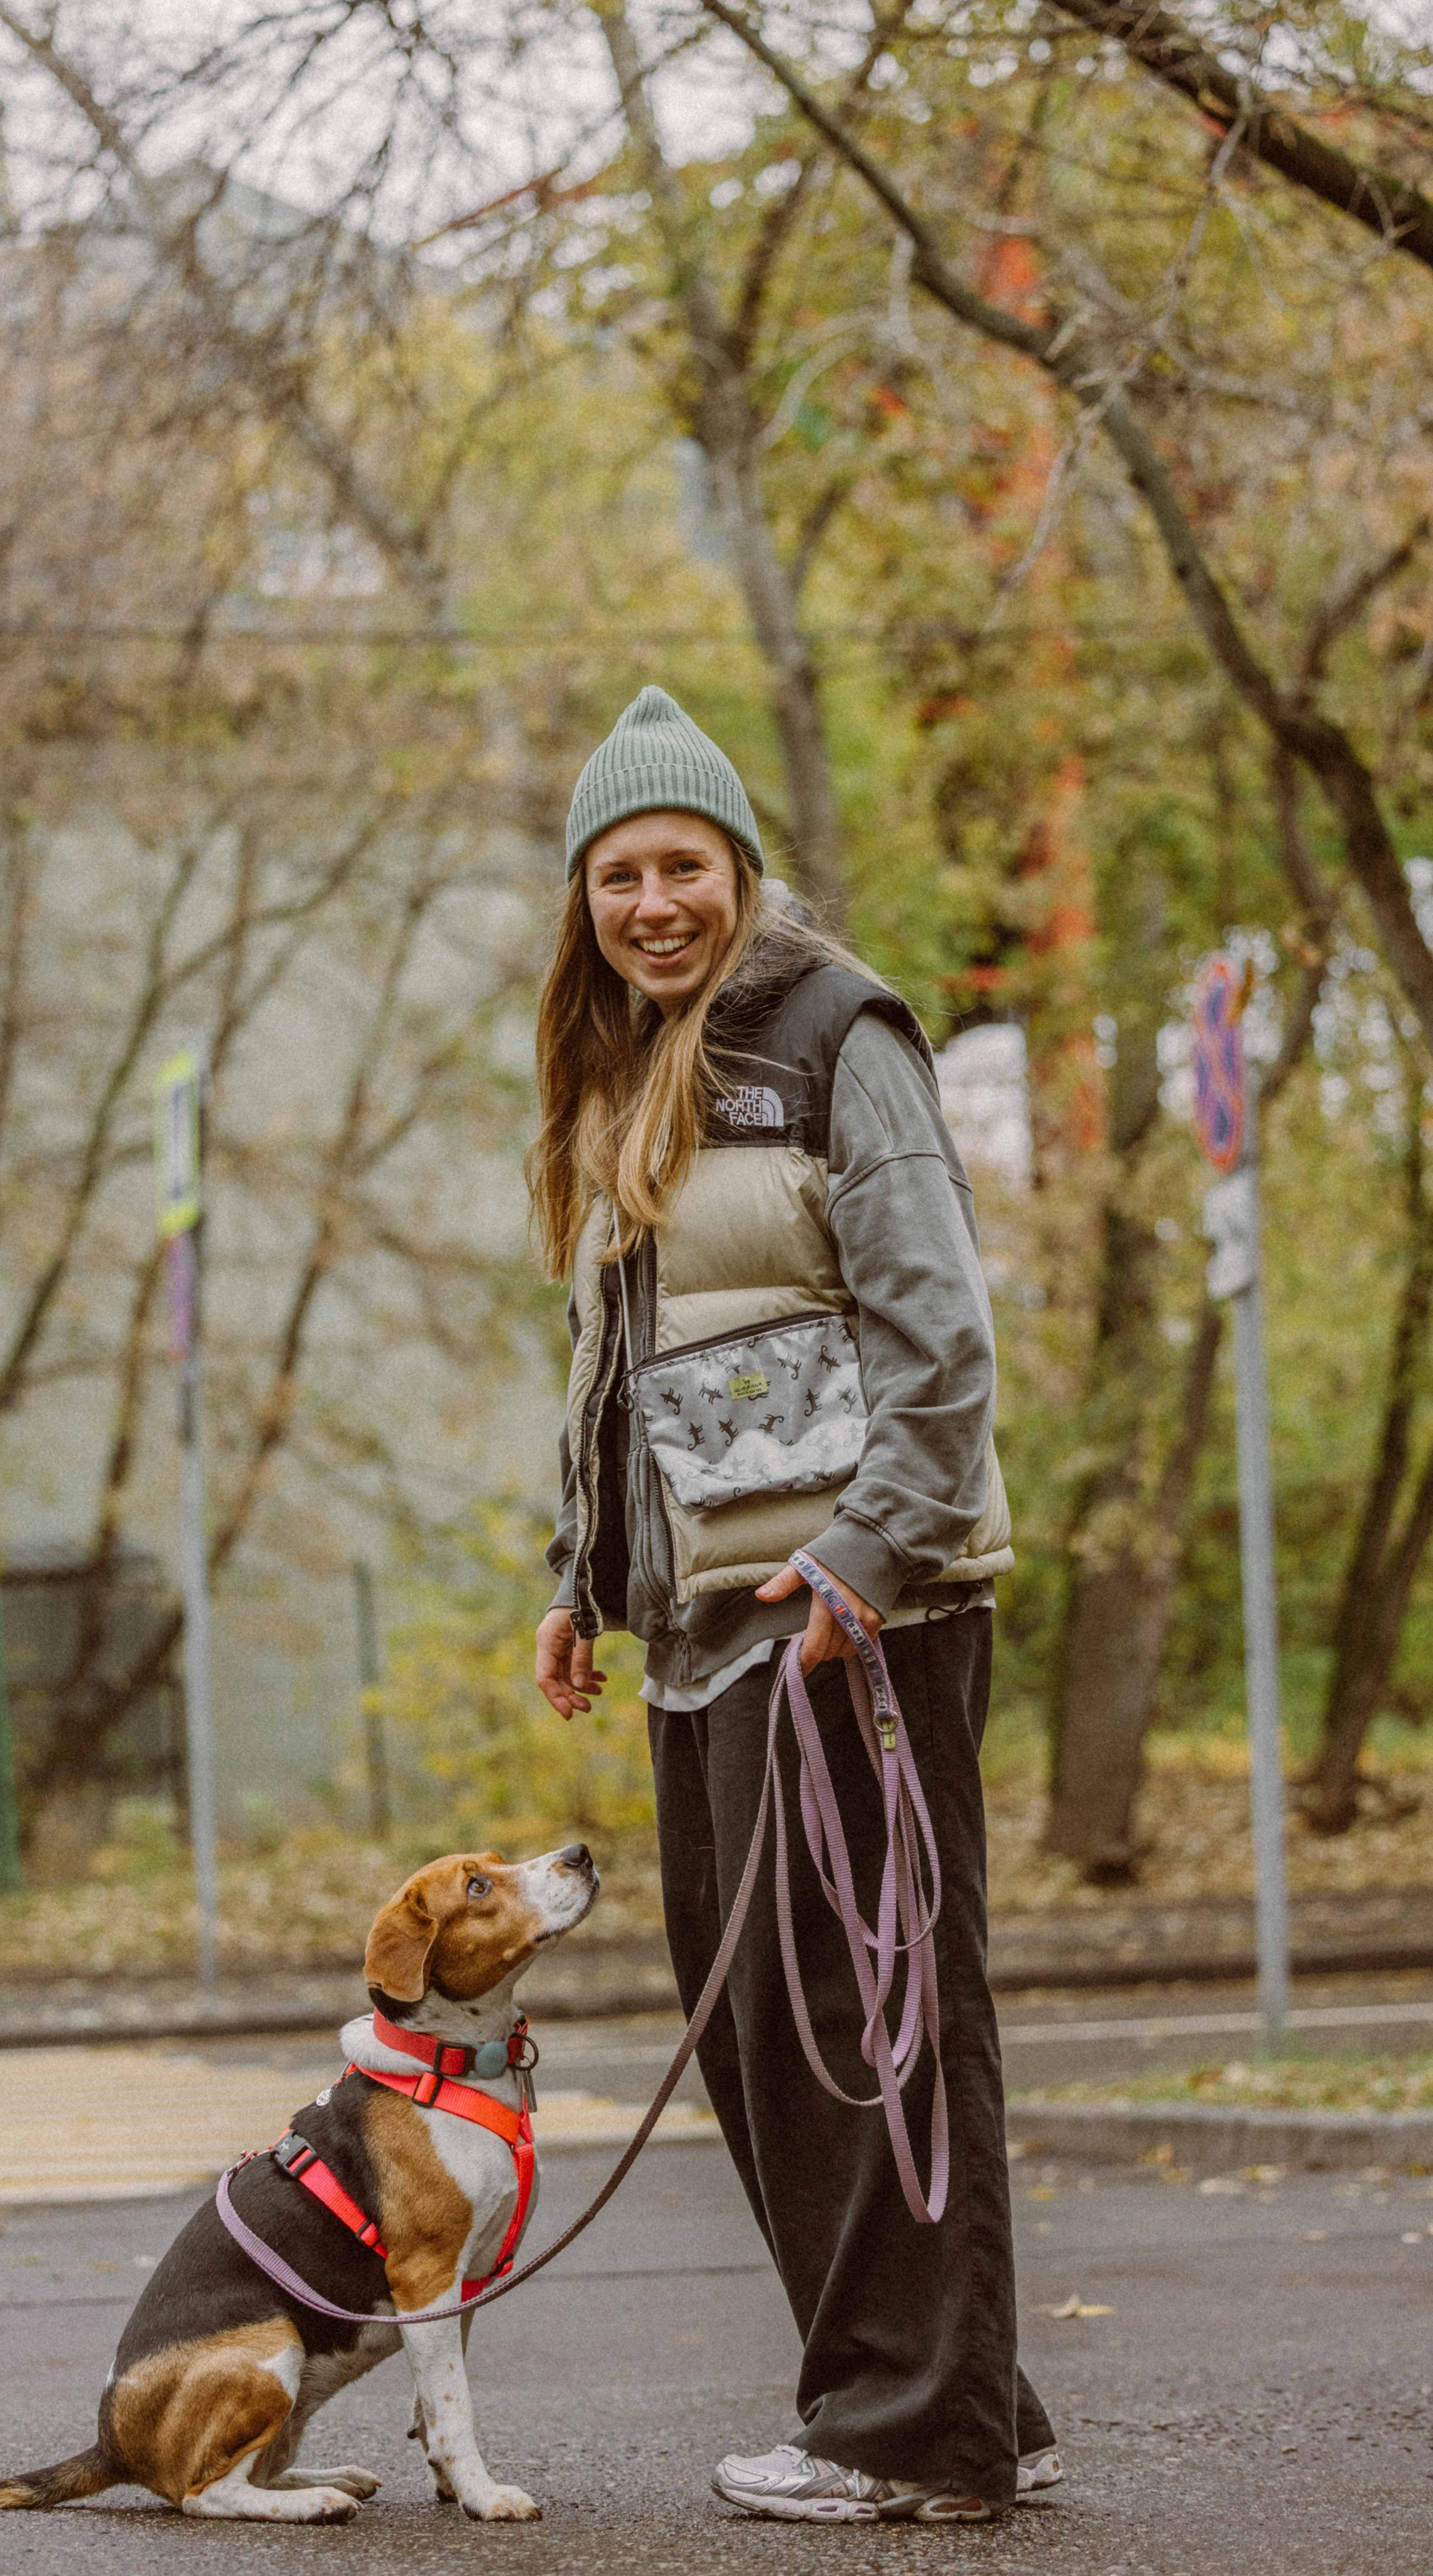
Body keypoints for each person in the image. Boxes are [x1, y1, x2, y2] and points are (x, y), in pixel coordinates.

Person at [529, 685, 1059, 2525]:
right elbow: (626, 1360)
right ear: (586, 898)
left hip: (850, 1614)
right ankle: (957, 2386)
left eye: (682, 866)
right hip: (710, 1624)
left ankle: (916, 2435)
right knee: (766, 2028)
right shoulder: (629, 1064)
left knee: (870, 2015)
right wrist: (586, 1574)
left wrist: (874, 1551)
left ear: (740, 870)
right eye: (619, 876)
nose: (652, 903)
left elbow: (941, 1333)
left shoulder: (842, 1033)